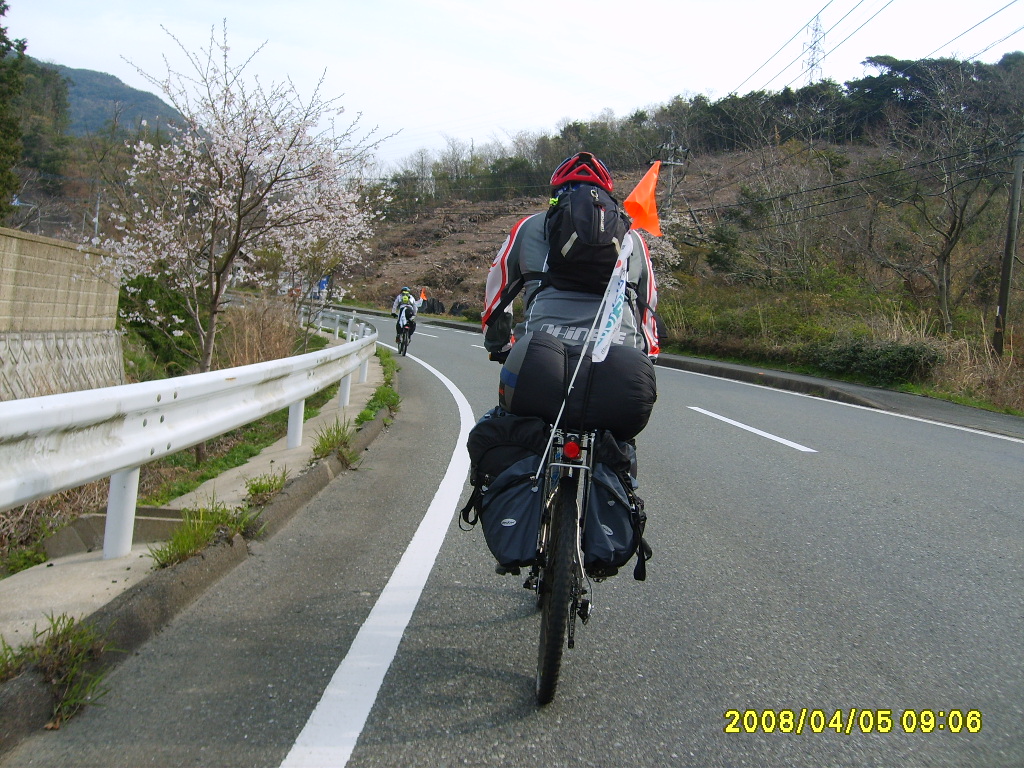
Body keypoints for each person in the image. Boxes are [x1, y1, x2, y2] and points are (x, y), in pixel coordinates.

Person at [481, 152, 659, 364]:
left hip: (541, 343)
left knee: (523, 391)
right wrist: (649, 352)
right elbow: (647, 300)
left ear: (556, 194)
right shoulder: (633, 237)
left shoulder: (527, 227)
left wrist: (498, 344)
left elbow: (497, 290)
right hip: (619, 348)